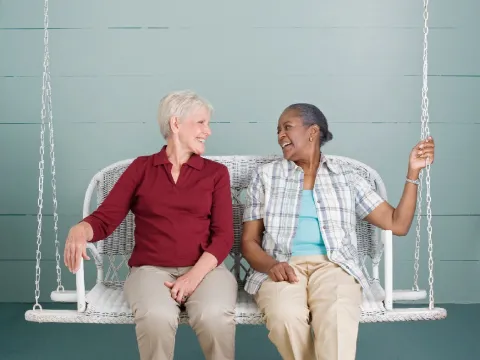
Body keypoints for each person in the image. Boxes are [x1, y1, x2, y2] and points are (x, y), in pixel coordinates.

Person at [241, 103, 435, 360]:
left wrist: (413, 173)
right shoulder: (266, 176)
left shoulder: (347, 177)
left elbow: (397, 224)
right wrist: (271, 265)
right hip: (282, 266)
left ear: (312, 132)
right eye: (277, 131)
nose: (280, 136)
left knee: (336, 317)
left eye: (287, 128)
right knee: (285, 317)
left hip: (335, 266)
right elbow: (249, 241)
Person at [63, 90, 238, 360]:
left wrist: (193, 277)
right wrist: (80, 229)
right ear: (176, 124)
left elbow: (224, 236)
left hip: (206, 269)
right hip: (150, 271)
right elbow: (105, 218)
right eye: (201, 122)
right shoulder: (141, 169)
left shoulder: (216, 174)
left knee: (213, 316)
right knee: (156, 317)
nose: (208, 131)